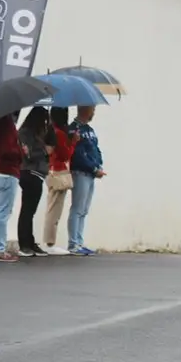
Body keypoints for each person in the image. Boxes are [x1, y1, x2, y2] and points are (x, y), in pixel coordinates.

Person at [0, 112, 24, 263]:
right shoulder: (6, 123)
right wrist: (21, 151)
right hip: (7, 171)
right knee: (3, 211)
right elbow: (8, 150)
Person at [67, 105, 105, 256]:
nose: (93, 113)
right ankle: (73, 243)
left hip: (91, 173)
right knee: (77, 208)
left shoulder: (89, 130)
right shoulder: (74, 129)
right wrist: (93, 168)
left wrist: (99, 164)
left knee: (84, 209)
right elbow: (78, 154)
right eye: (92, 109)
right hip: (81, 172)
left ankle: (79, 241)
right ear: (84, 109)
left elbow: (96, 148)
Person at [17, 106, 54, 257]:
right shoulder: (25, 134)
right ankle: (24, 244)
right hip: (29, 172)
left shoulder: (39, 135)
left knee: (30, 211)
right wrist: (45, 151)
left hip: (38, 173)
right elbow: (29, 154)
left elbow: (52, 145)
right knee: (27, 210)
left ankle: (30, 241)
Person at [42, 107, 78, 255]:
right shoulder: (60, 134)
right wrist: (74, 142)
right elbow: (65, 155)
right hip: (59, 171)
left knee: (52, 207)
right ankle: (49, 242)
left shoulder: (49, 131)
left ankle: (49, 241)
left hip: (51, 170)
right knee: (54, 210)